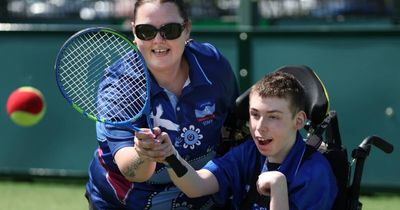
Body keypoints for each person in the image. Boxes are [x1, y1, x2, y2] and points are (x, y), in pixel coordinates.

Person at [85, 0, 239, 209]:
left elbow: (233, 126)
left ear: (186, 29)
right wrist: (144, 153)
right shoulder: (118, 86)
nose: (158, 40)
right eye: (146, 31)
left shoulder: (213, 64)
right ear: (133, 32)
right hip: (126, 201)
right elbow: (132, 171)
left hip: (201, 196)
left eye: (170, 30)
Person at [160, 71, 338, 209]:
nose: (260, 126)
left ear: (298, 121)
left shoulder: (316, 173)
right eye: (255, 114)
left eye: (273, 117)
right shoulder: (248, 153)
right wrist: (170, 156)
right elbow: (196, 186)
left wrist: (278, 188)